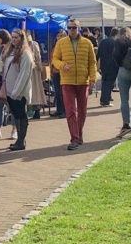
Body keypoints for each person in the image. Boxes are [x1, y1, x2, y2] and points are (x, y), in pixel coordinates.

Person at [51, 18, 97, 150]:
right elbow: (55, 59)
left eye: (74, 27)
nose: (71, 30)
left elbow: (92, 62)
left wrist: (92, 78)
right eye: (69, 28)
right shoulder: (61, 43)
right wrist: (62, 65)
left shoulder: (87, 43)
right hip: (67, 81)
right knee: (70, 111)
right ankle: (74, 138)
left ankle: (79, 133)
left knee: (82, 111)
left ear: (79, 28)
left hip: (83, 81)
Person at [1, 30, 35, 151]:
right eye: (13, 37)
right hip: (10, 90)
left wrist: (16, 91)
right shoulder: (11, 52)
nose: (14, 39)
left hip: (19, 92)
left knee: (21, 115)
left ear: (22, 38)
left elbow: (24, 74)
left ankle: (21, 141)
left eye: (16, 37)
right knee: (16, 115)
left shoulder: (25, 54)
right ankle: (19, 140)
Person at [25, 31, 47, 120]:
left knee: (32, 91)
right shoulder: (34, 44)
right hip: (34, 70)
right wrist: (40, 68)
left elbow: (38, 58)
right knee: (35, 91)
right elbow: (38, 58)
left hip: (30, 71)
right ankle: (36, 111)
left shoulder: (30, 45)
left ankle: (34, 111)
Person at [48, 29, 68, 118]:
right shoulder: (55, 46)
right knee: (57, 92)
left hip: (63, 71)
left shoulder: (66, 46)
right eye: (58, 36)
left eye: (61, 35)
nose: (59, 37)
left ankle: (64, 111)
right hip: (55, 72)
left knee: (63, 92)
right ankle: (59, 110)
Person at [97, 28, 119, 107]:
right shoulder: (115, 42)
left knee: (105, 82)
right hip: (112, 65)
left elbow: (98, 54)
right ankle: (105, 101)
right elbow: (117, 55)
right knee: (109, 83)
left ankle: (107, 97)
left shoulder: (103, 41)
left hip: (104, 65)